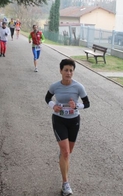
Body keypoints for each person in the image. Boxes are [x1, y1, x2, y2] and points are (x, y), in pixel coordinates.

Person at [45, 59, 90, 196]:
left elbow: (87, 103)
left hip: (74, 121)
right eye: (66, 70)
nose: (69, 73)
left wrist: (76, 106)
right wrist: (54, 106)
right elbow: (47, 98)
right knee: (65, 152)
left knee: (68, 152)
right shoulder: (55, 86)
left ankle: (62, 157)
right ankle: (65, 184)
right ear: (60, 71)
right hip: (59, 120)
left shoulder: (78, 87)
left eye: (71, 70)